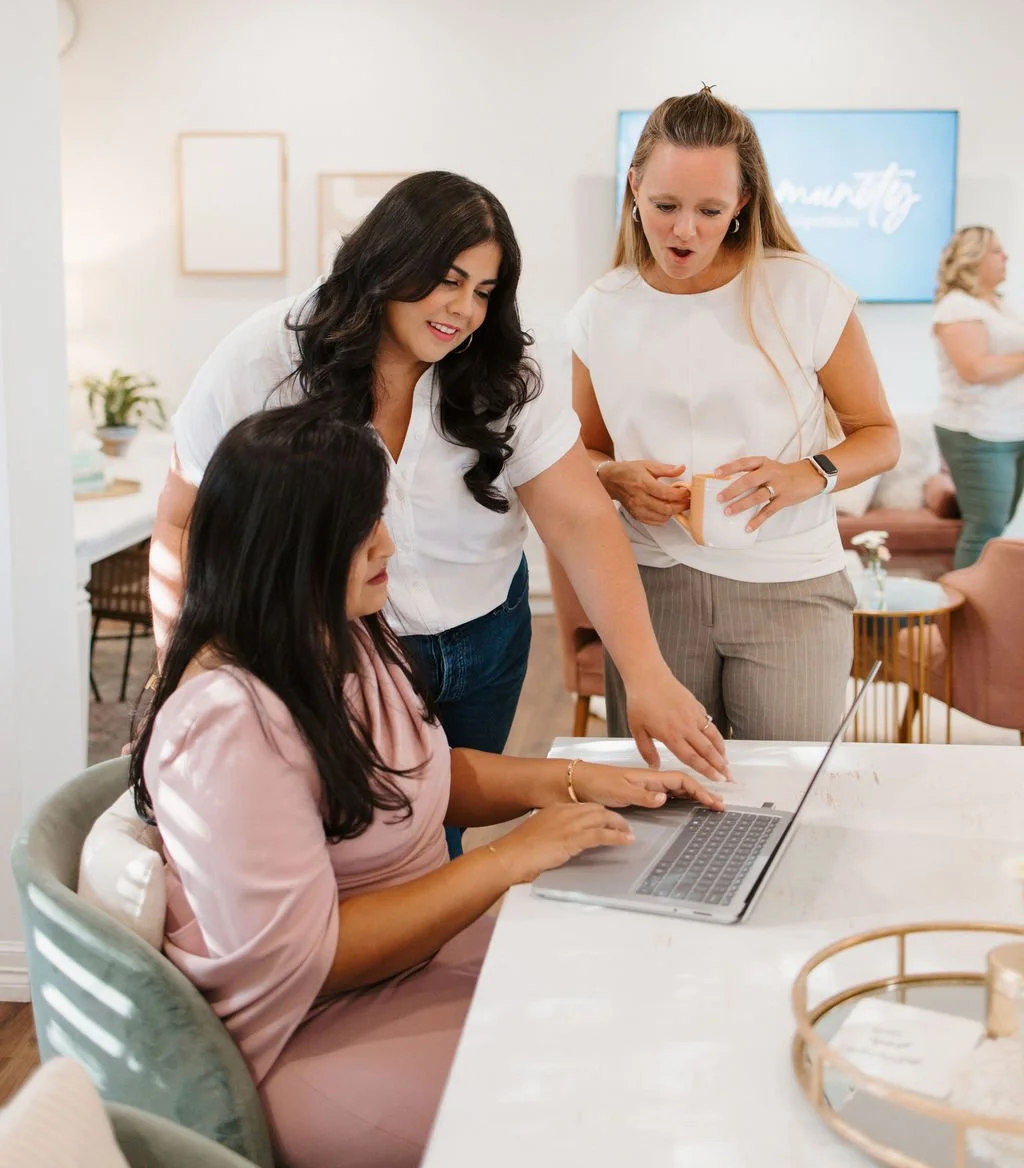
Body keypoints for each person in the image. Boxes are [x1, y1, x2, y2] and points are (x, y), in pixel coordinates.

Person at [129, 407, 722, 1168]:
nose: (388, 544)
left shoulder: (345, 637)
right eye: (362, 529)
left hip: (416, 966)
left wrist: (576, 781)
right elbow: (305, 959)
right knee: (608, 1098)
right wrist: (508, 859)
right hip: (310, 1032)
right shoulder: (226, 725)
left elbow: (423, 778)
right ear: (289, 545)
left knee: (647, 992)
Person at [151, 172, 729, 815]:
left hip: (488, 636)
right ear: (388, 260)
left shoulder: (506, 368)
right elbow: (183, 523)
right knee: (365, 831)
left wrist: (647, 676)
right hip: (346, 647)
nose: (464, 310)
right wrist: (186, 682)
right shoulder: (266, 359)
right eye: (448, 280)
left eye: (483, 291)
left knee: (447, 825)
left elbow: (580, 521)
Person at [569, 89, 900, 743]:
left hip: (791, 586)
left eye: (709, 210)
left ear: (743, 202)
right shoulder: (600, 309)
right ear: (634, 187)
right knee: (663, 789)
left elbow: (881, 436)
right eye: (665, 205)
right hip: (650, 587)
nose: (683, 231)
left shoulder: (804, 290)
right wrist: (613, 478)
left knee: (788, 785)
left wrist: (810, 472)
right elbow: (585, 451)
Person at [932, 225, 1024, 568]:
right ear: (973, 259)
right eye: (996, 251)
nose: (1006, 257)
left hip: (1012, 427)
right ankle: (963, 602)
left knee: (997, 525)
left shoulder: (999, 304)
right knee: (984, 528)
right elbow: (974, 369)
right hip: (978, 431)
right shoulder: (956, 307)